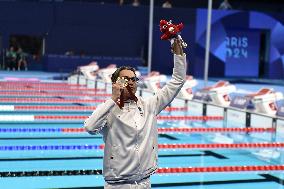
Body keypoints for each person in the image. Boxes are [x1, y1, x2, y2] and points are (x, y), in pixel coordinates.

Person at [84, 39, 187, 188]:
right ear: (116, 83)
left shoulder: (150, 105)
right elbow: (90, 127)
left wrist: (178, 54)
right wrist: (113, 98)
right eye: (125, 79)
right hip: (118, 185)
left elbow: (178, 81)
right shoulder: (109, 109)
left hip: (144, 183)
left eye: (133, 79)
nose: (131, 82)